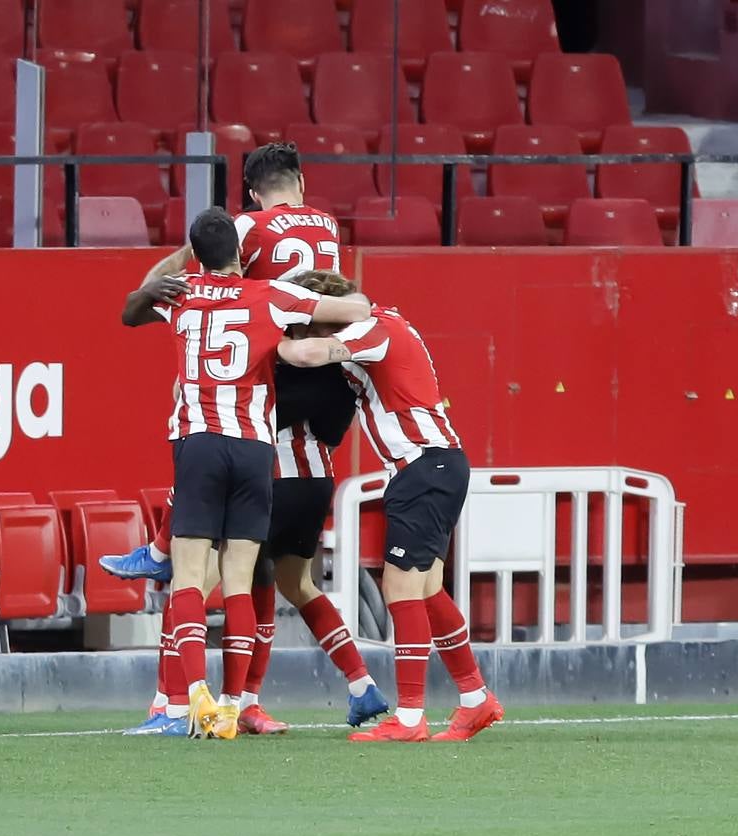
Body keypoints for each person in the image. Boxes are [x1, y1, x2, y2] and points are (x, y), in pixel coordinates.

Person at [105, 144, 389, 735]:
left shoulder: (213, 266)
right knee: (265, 576)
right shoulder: (323, 229)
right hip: (304, 408)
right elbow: (351, 301)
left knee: (195, 575)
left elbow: (141, 301)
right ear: (301, 184)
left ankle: (173, 702)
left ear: (252, 196)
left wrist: (163, 279)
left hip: (253, 395)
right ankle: (247, 703)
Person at [279, 270, 505, 743]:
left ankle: (409, 718)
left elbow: (307, 353)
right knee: (425, 589)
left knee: (400, 588)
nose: (303, 329)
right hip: (433, 465)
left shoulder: (372, 327)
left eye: (308, 318)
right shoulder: (383, 324)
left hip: (422, 465)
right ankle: (474, 698)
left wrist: (265, 334)